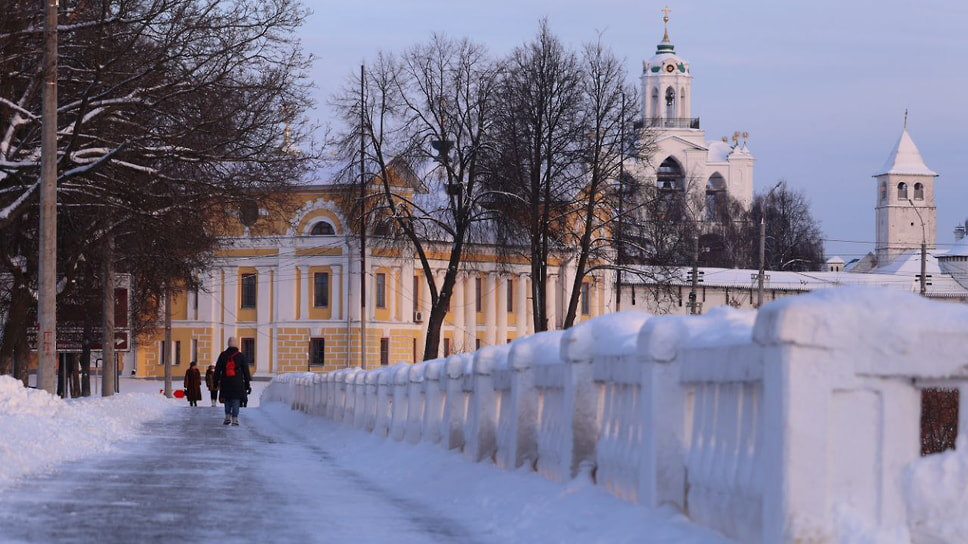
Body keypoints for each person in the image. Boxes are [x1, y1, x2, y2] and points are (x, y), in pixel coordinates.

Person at [213, 337, 251, 426]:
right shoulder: (240, 356)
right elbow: (246, 370)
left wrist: (215, 381)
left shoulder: (223, 355)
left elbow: (218, 369)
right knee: (236, 400)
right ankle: (235, 419)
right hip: (237, 382)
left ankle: (227, 417)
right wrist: (247, 383)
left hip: (225, 381)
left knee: (227, 399)